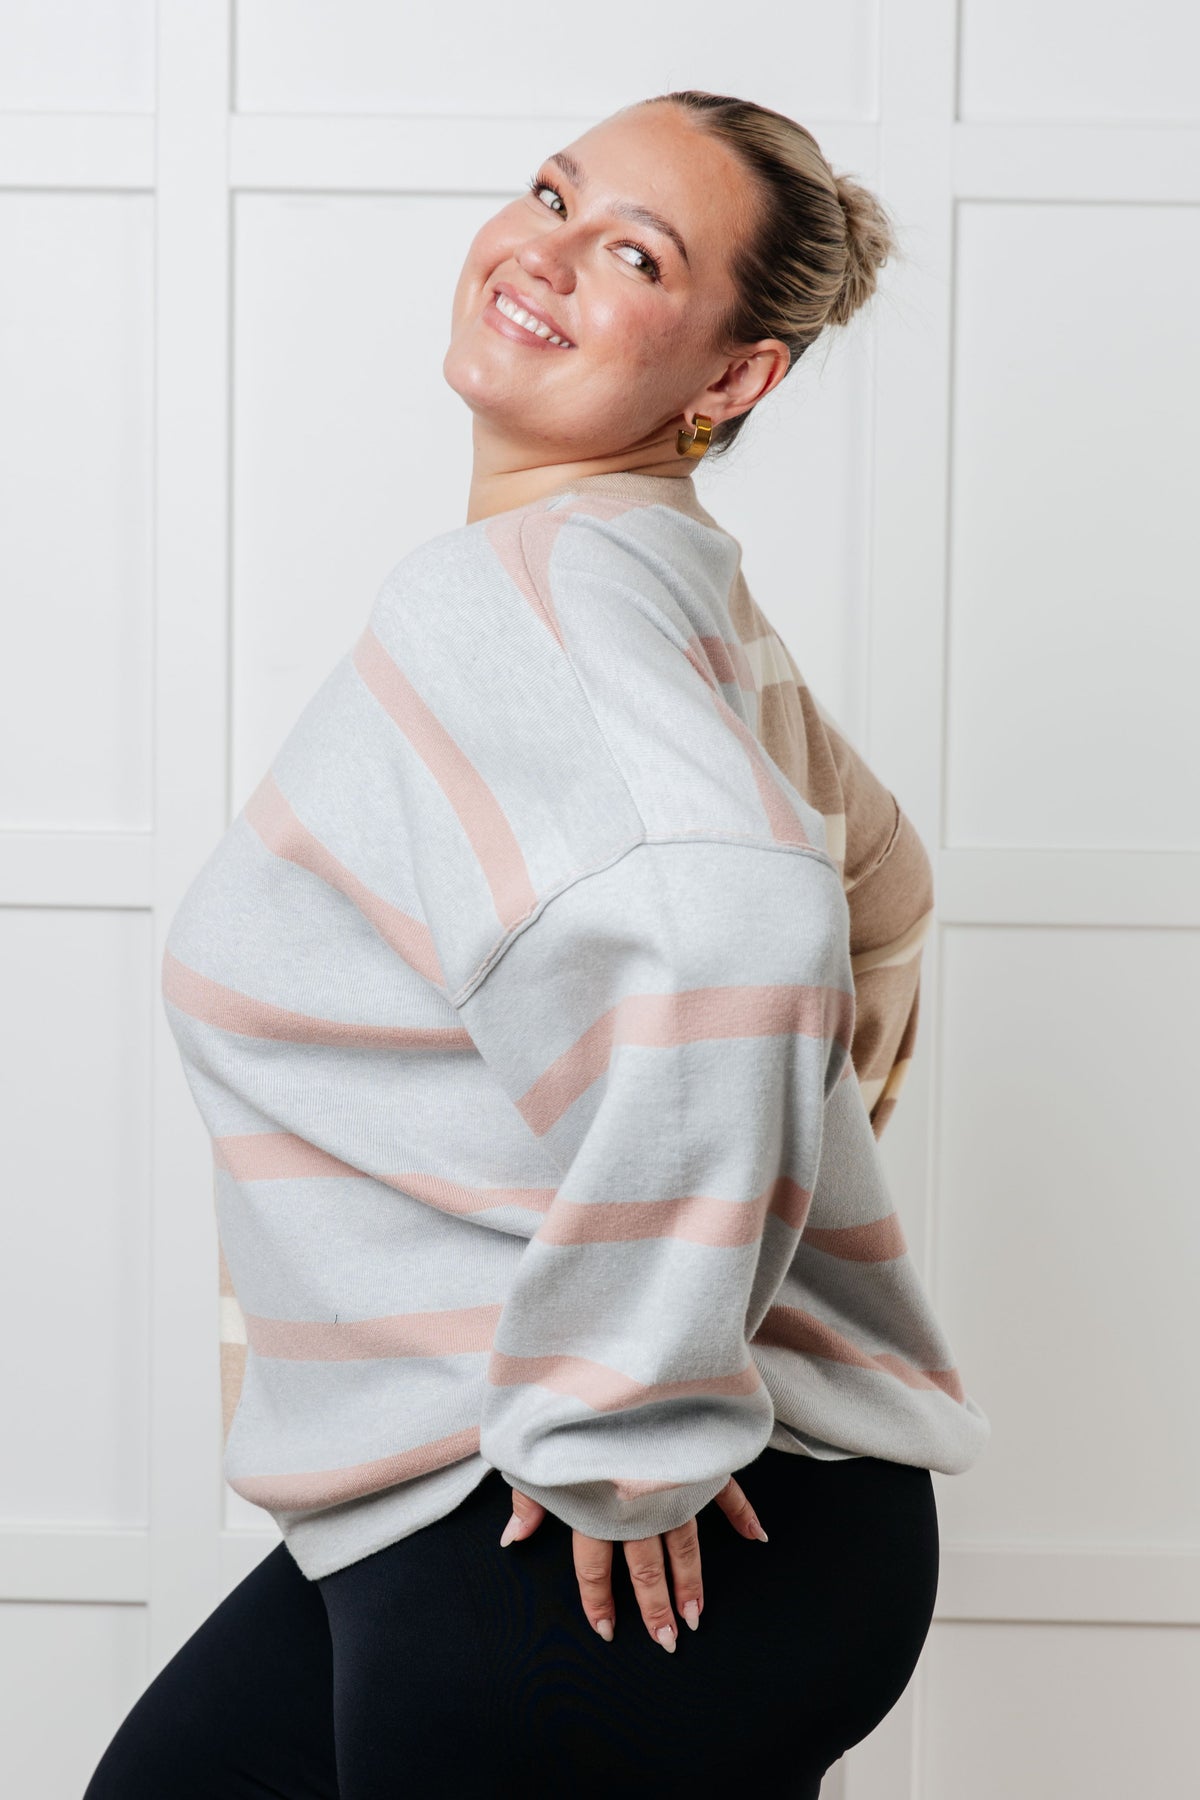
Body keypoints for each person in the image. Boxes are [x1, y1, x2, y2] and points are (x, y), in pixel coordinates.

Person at [84, 90, 988, 1797]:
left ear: (734, 378)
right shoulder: (659, 579)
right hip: (582, 1508)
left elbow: (743, 924)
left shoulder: (521, 597)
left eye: (637, 256)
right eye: (554, 197)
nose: (546, 255)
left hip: (605, 1528)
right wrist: (757, 1195)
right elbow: (876, 880)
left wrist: (628, 1415)